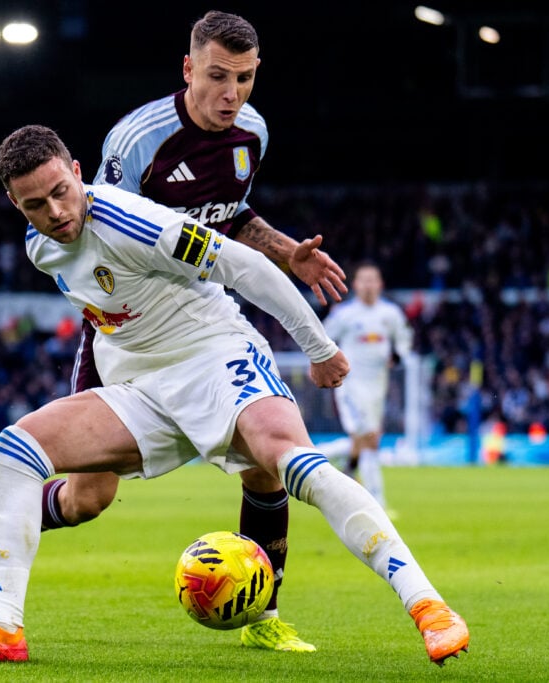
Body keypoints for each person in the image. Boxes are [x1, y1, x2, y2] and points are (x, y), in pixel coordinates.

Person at [0, 125, 469, 667]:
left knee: (289, 461)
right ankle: (2, 629)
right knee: (19, 447)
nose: (55, 212)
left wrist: (319, 347)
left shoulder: (133, 222)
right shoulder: (39, 245)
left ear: (78, 173)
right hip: (142, 388)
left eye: (61, 192)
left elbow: (244, 266)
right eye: (35, 205)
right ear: (15, 204)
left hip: (214, 358)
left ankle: (428, 607)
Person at [41, 10, 347, 653]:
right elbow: (95, 229)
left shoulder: (253, 132)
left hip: (204, 320)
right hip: (128, 332)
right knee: (88, 499)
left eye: (245, 78)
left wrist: (287, 252)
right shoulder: (137, 140)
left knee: (264, 462)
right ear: (188, 69)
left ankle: (264, 614)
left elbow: (231, 218)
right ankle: (15, 511)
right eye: (217, 76)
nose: (232, 94)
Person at [319, 262, 413, 512]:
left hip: (377, 386)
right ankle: (377, 502)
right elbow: (322, 337)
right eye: (364, 280)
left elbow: (404, 340)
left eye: (373, 280)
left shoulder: (390, 314)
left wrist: (397, 356)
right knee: (369, 438)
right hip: (350, 384)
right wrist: (324, 363)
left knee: (366, 439)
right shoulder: (345, 314)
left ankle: (332, 463)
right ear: (356, 285)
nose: (369, 285)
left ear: (380, 284)